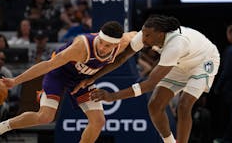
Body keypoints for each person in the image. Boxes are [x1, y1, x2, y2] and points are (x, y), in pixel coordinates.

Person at [0, 21, 137, 143]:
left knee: (99, 121)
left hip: (81, 80)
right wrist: (15, 80)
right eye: (101, 42)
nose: (102, 47)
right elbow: (48, 65)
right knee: (45, 117)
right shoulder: (82, 46)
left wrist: (159, 47)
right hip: (58, 74)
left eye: (107, 45)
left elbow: (141, 34)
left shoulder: (123, 42)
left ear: (116, 44)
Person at [75, 15, 220, 143]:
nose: (143, 39)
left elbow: (150, 84)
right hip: (180, 63)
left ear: (160, 34)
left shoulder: (176, 45)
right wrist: (94, 77)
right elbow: (122, 58)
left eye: (147, 36)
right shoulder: (145, 35)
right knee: (155, 105)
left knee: (184, 105)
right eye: (143, 34)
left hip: (204, 61)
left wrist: (113, 96)